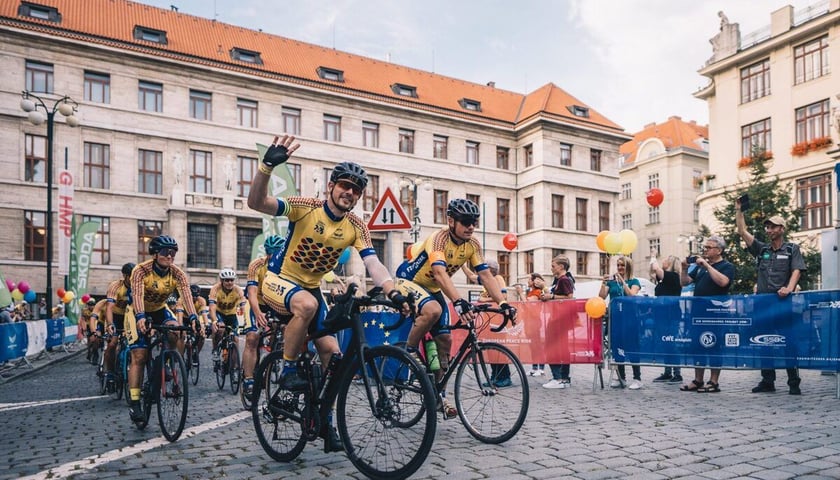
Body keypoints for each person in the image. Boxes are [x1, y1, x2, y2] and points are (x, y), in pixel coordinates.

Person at [247, 135, 407, 452]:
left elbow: (374, 264)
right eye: (344, 185)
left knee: (333, 358)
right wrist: (266, 167)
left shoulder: (356, 227)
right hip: (279, 282)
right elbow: (257, 203)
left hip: (311, 289)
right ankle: (289, 370)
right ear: (331, 186)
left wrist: (393, 292)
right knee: (305, 305)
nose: (349, 192)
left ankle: (324, 422)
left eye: (356, 189)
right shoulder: (307, 207)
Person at [393, 198, 516, 418]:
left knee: (445, 341)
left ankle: (438, 395)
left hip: (431, 287)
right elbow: (440, 273)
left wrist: (504, 303)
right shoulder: (438, 239)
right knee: (433, 311)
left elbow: (486, 275)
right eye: (466, 221)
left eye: (474, 222)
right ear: (451, 220)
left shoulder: (473, 245)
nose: (470, 226)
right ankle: (409, 353)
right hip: (410, 280)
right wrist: (458, 301)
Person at [126, 235, 198, 424]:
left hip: (159, 309)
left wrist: (193, 318)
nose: (170, 256)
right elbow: (138, 295)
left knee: (176, 330)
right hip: (136, 311)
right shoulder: (141, 271)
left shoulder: (177, 273)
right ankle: (134, 403)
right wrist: (141, 316)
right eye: (166, 252)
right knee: (140, 355)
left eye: (173, 253)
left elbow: (187, 296)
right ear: (156, 253)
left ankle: (166, 359)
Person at [736, 208, 806, 395]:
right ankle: (768, 381)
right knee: (763, 342)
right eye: (767, 226)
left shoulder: (792, 249)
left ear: (781, 229)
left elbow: (797, 270)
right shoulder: (762, 249)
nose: (769, 229)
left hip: (783, 304)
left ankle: (793, 382)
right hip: (763, 305)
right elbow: (742, 232)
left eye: (773, 226)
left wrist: (789, 288)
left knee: (787, 342)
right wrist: (739, 211)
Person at [678, 236, 735, 393]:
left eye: (709, 247)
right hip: (698, 312)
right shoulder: (700, 267)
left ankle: (714, 381)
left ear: (719, 250)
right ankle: (698, 380)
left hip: (716, 313)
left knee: (714, 345)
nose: (705, 250)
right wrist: (683, 268)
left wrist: (707, 266)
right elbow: (684, 282)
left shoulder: (726, 266)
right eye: (705, 247)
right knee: (697, 345)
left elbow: (723, 282)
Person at [243, 234, 286, 399]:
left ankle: (272, 357)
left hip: (275, 304)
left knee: (285, 330)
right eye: (270, 253)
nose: (273, 256)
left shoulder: (287, 266)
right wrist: (257, 312)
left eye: (277, 253)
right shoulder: (256, 265)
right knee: (253, 337)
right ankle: (248, 380)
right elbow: (252, 293)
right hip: (257, 303)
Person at [600, 255, 642, 389]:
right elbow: (601, 296)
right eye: (618, 265)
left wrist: (623, 281)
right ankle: (621, 377)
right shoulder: (612, 282)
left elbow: (632, 295)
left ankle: (637, 378)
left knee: (632, 348)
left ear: (628, 267)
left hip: (630, 319)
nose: (619, 268)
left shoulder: (634, 281)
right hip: (615, 318)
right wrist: (603, 283)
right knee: (617, 348)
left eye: (622, 265)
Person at [541, 255, 575, 389]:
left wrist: (551, 296)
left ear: (561, 267)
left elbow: (569, 297)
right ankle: (563, 377)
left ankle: (559, 377)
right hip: (558, 319)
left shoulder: (564, 279)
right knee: (560, 347)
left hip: (559, 319)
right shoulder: (559, 280)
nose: (551, 268)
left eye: (553, 266)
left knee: (553, 347)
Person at [650, 254, 683, 384]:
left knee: (671, 343)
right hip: (662, 315)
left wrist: (653, 257)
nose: (663, 260)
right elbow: (654, 272)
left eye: (666, 259)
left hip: (671, 316)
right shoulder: (664, 278)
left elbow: (655, 268)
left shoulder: (673, 276)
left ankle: (677, 373)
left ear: (671, 263)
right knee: (665, 343)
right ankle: (667, 372)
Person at [104, 262, 134, 385]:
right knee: (112, 344)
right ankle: (110, 372)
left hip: (129, 316)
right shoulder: (115, 286)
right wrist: (110, 324)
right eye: (131, 276)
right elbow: (109, 308)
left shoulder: (138, 286)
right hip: (115, 316)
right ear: (125, 276)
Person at [209, 268, 247, 364]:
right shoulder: (215, 289)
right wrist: (214, 321)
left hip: (231, 315)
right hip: (219, 314)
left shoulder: (237, 289)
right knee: (220, 328)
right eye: (227, 280)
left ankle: (234, 367)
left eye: (231, 280)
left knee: (236, 339)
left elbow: (243, 305)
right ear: (222, 281)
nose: (230, 282)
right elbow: (212, 307)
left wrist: (247, 320)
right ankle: (215, 350)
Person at [521, 273, 546, 376]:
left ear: (534, 281)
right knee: (532, 345)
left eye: (529, 279)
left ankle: (541, 368)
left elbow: (528, 303)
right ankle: (534, 367)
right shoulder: (530, 292)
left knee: (537, 345)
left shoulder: (537, 292)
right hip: (528, 321)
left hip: (535, 321)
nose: (528, 281)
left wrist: (520, 293)